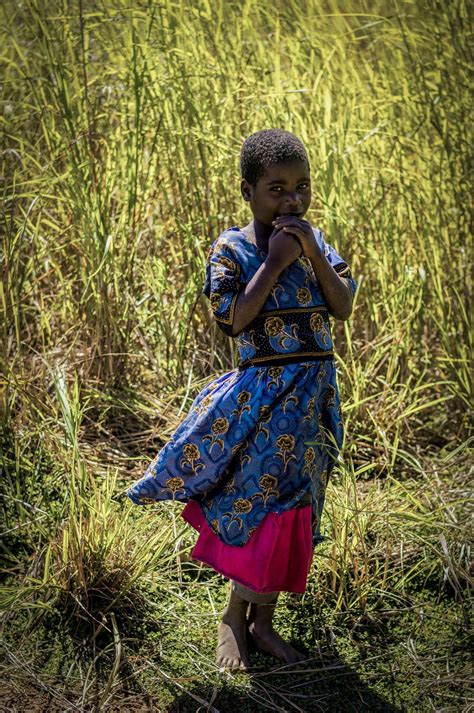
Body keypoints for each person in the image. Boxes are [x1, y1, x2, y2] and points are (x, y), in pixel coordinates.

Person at [127, 128, 357, 672]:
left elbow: (343, 305)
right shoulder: (231, 250)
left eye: (301, 187)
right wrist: (274, 261)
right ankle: (233, 618)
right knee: (260, 508)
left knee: (297, 510)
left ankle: (264, 623)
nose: (292, 200)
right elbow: (231, 319)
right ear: (247, 189)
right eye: (276, 188)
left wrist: (306, 254)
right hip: (264, 401)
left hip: (314, 401)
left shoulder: (316, 242)